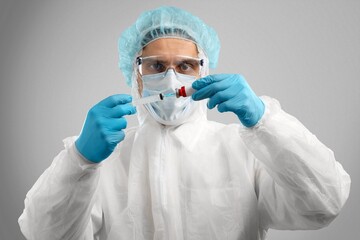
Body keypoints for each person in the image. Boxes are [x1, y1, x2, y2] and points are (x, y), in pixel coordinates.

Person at [18, 6, 351, 240]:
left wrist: (265, 121)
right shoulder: (107, 160)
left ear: (203, 71)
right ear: (136, 75)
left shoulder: (244, 150)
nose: (171, 77)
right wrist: (80, 160)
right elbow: (42, 234)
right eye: (156, 65)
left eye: (186, 65)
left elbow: (326, 203)